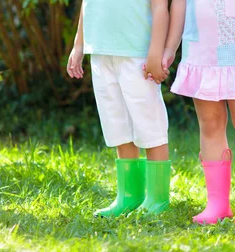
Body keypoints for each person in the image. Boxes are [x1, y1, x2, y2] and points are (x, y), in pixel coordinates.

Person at [163, 0, 235, 224]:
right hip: (200, 54)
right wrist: (169, 50)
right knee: (210, 124)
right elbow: (179, 7)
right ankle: (217, 204)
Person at [66, 0, 173, 217]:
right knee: (117, 124)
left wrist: (155, 52)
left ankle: (158, 198)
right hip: (101, 53)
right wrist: (79, 45)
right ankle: (129, 196)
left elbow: (160, 7)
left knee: (149, 124)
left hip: (137, 54)